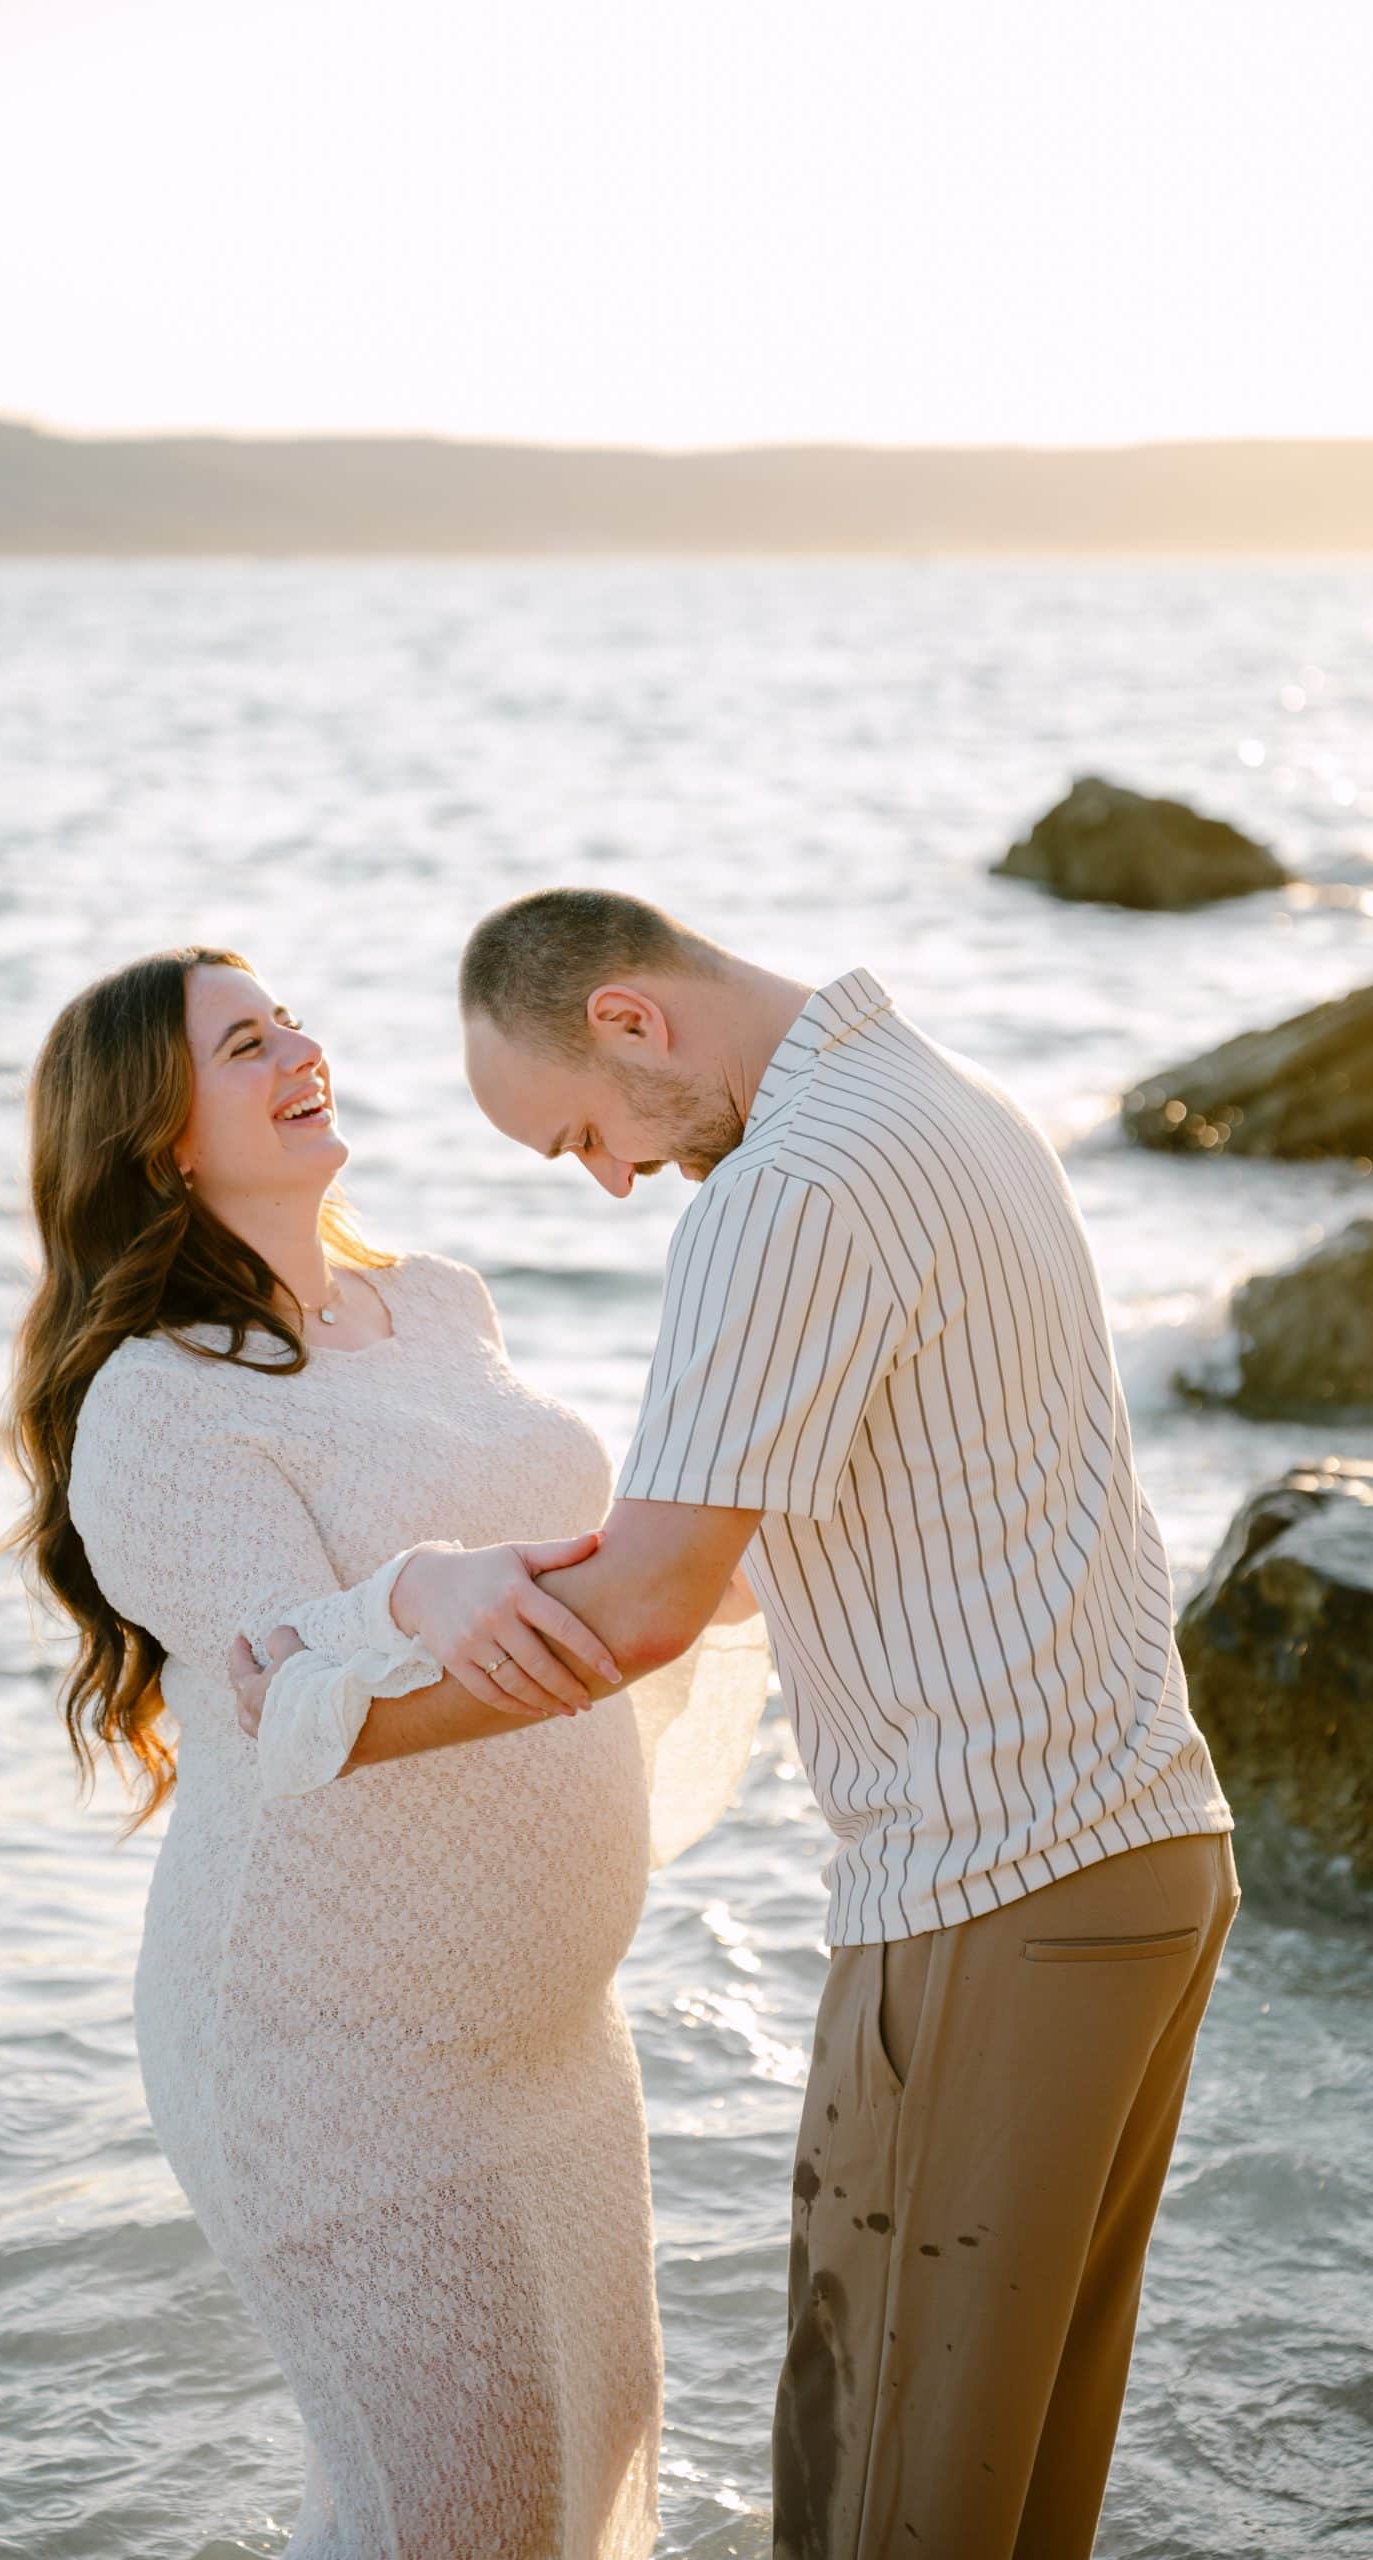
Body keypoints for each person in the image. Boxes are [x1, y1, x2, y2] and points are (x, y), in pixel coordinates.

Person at [240, 887, 1240, 2560]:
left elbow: (642, 1604)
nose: (618, 1182)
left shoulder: (784, 1192)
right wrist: (424, 1604)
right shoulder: (946, 1102)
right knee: (1018, 2497)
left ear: (631, 1019)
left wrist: (328, 1713)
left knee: (888, 2510)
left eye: (582, 1139)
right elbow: (713, 1558)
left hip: (993, 1893)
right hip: (1143, 1869)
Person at [0, 942, 772, 2560]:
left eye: (290, 1018)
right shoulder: (152, 1405)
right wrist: (427, 1594)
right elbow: (295, 1694)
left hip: (552, 2030)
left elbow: (592, 1548)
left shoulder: (436, 1304)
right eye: (243, 1043)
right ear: (159, 1133)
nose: (300, 1047)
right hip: (331, 2054)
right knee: (456, 2514)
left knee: (593, 2463)